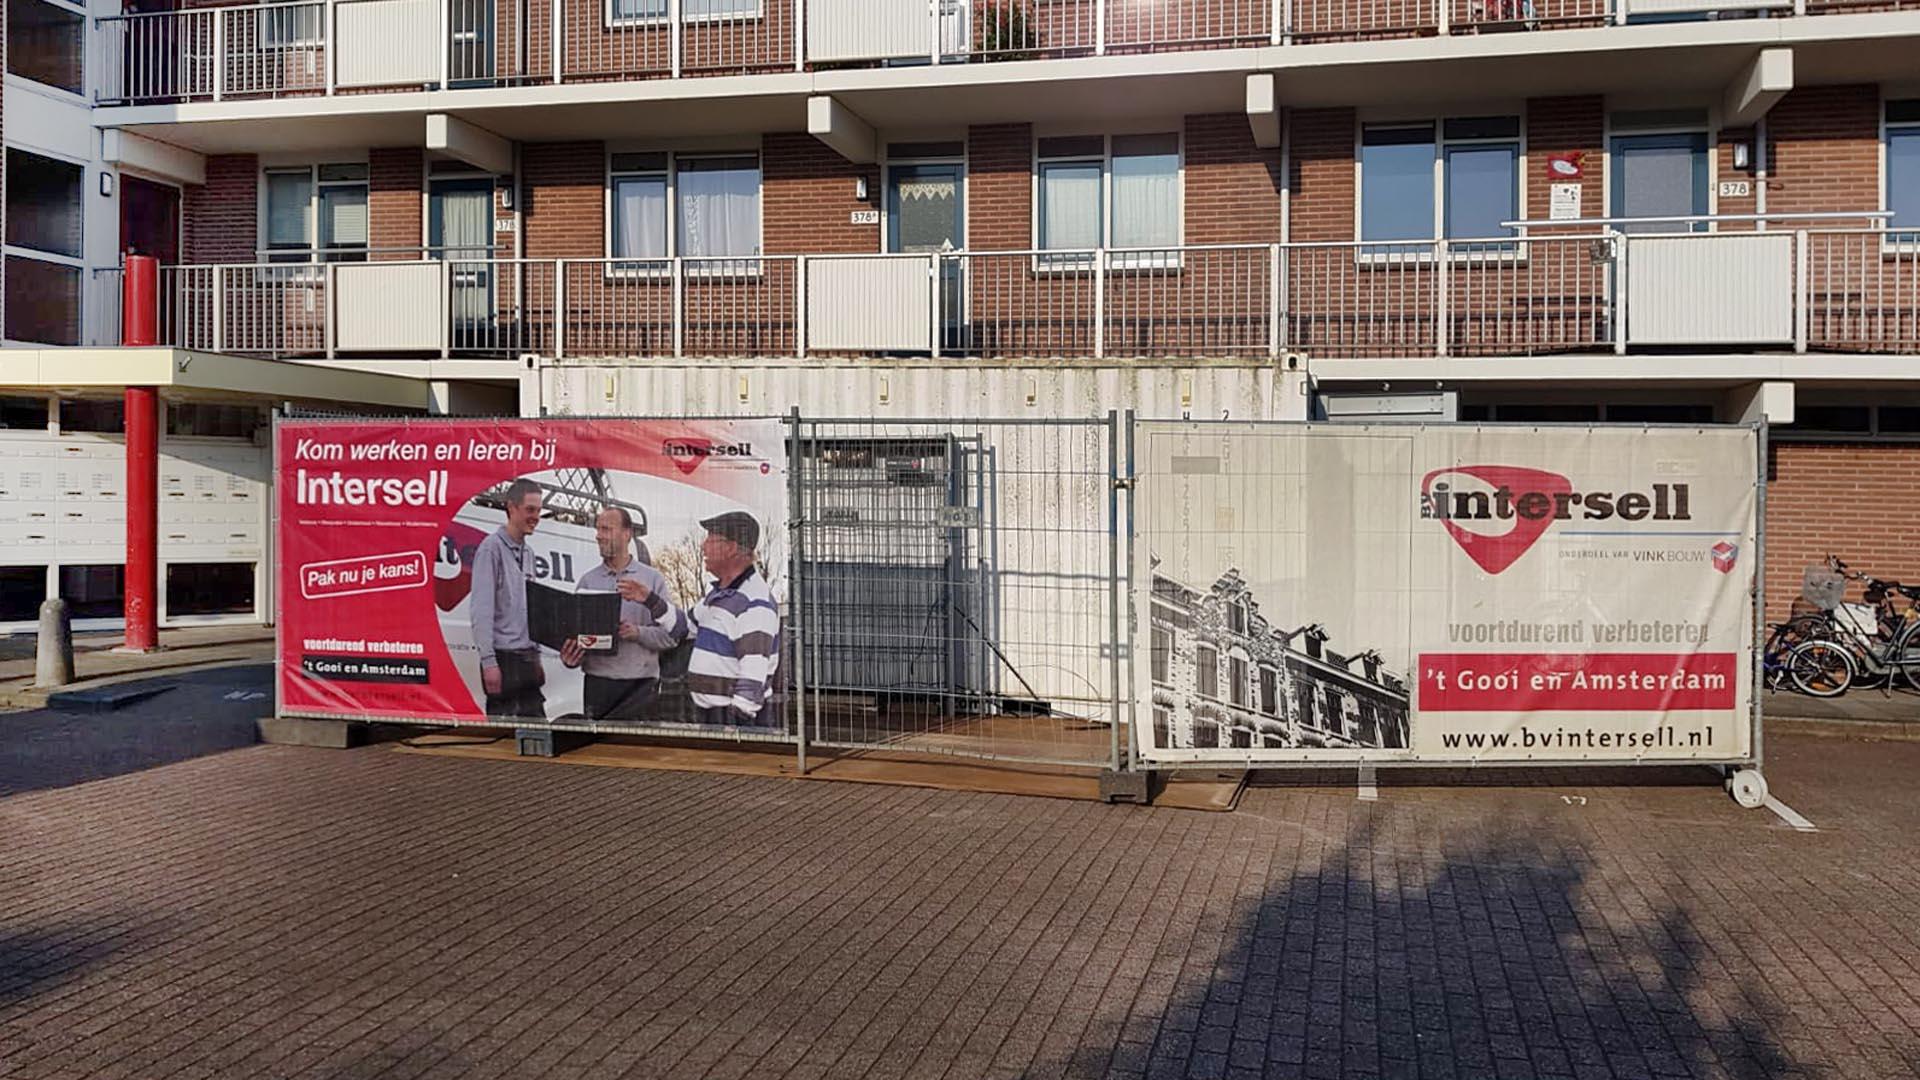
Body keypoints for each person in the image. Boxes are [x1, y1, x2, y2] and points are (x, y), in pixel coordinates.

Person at [559, 506, 688, 721]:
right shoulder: (587, 582)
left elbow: (671, 637)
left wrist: (637, 632)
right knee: (598, 753)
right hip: (597, 687)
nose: (599, 536)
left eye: (606, 529)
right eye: (598, 529)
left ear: (627, 534)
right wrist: (570, 658)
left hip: (640, 689)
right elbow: (577, 639)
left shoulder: (652, 580)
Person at [687, 511, 780, 727]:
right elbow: (684, 627)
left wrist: (736, 723)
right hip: (714, 716)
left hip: (733, 720)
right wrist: (649, 599)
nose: (703, 546)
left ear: (732, 548)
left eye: (710, 539)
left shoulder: (754, 601)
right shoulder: (720, 595)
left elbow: (754, 669)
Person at [468, 478, 546, 719]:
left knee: (538, 736)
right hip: (504, 660)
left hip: (527, 659)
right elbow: (481, 611)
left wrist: (537, 655)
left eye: (539, 510)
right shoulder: (491, 549)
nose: (536, 516)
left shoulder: (530, 553)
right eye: (530, 509)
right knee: (503, 741)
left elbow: (532, 609)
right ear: (512, 508)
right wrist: (489, 663)